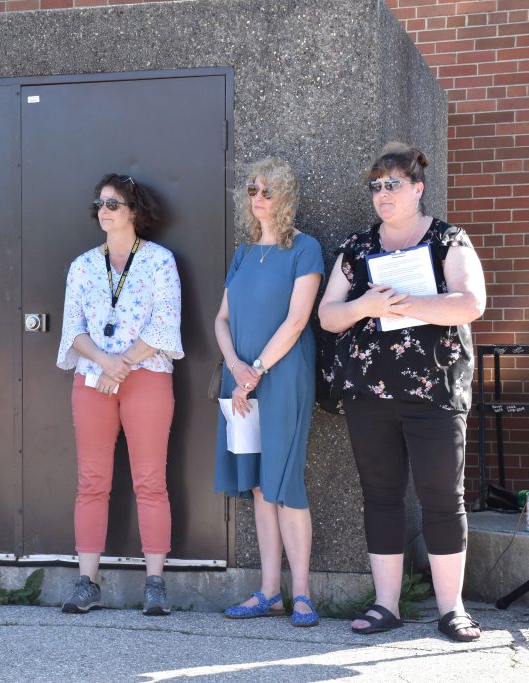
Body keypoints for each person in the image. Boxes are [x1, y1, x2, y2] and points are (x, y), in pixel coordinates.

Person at [318, 143, 486, 642]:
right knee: (381, 497)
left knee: (441, 497)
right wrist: (367, 304)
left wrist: (410, 302)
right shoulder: (355, 248)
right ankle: (385, 605)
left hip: (434, 390)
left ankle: (451, 609)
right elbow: (328, 316)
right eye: (375, 186)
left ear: (418, 188)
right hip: (369, 394)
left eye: (392, 184)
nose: (382, 194)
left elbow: (471, 303)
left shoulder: (447, 239)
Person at [56, 173, 183, 617]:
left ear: (134, 210)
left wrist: (122, 363)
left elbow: (165, 326)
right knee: (91, 481)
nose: (104, 211)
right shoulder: (83, 266)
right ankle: (86, 582)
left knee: (150, 481)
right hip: (93, 380)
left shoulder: (160, 262)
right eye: (100, 204)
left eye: (113, 204)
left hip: (145, 375)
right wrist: (106, 364)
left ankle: (155, 584)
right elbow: (73, 329)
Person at [213, 157, 324, 627]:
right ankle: (268, 592)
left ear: (286, 197)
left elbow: (298, 320)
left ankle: (302, 595)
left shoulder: (305, 249)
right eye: (253, 190)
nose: (258, 198)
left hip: (282, 376)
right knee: (259, 485)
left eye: (268, 190)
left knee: (285, 482)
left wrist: (255, 369)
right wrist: (237, 367)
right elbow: (221, 319)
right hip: (239, 381)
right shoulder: (241, 253)